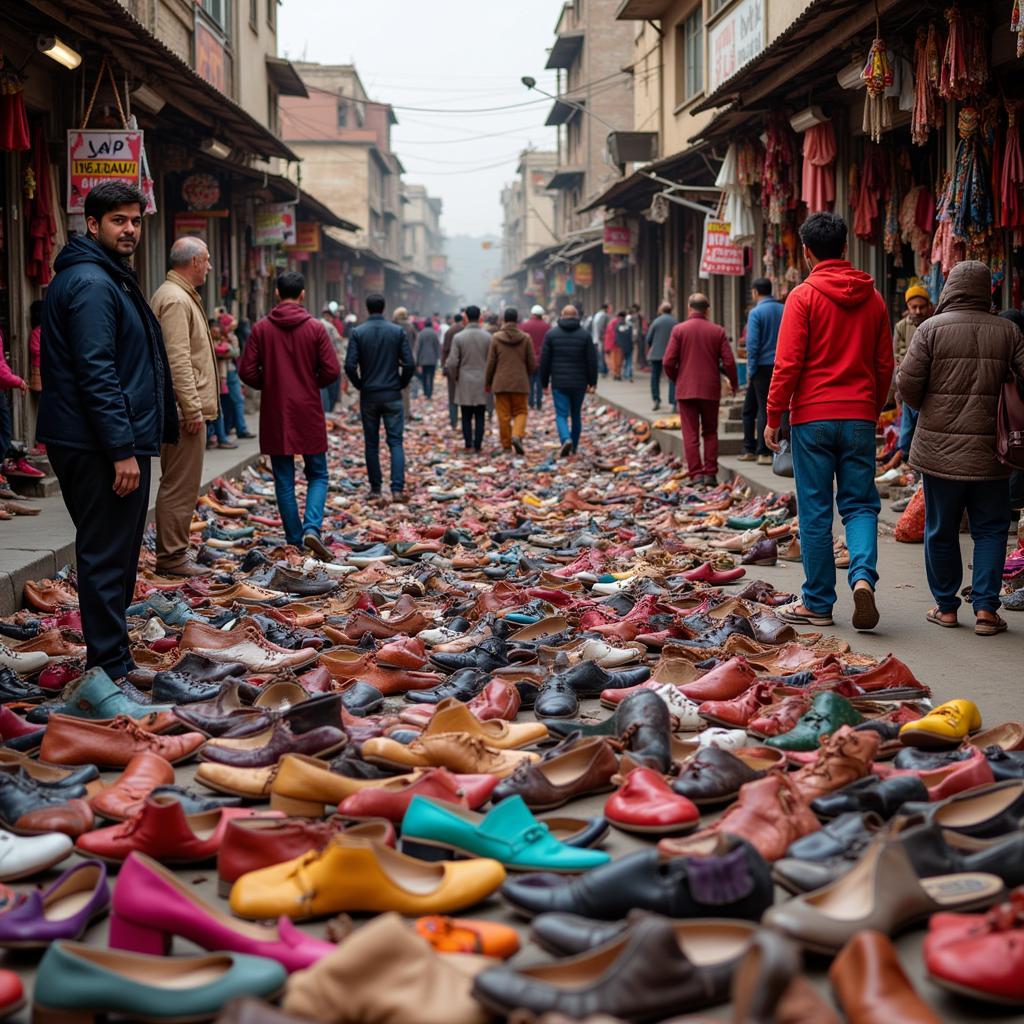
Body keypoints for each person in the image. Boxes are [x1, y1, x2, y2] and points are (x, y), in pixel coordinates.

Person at [38, 180, 178, 680]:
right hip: (98, 443)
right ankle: (109, 672)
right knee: (105, 556)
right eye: (119, 220)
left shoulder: (102, 277)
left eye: (136, 220)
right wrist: (121, 448)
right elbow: (96, 370)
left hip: (96, 437)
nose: (131, 230)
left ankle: (112, 659)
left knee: (114, 554)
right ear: (92, 224)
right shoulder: (94, 284)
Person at [764, 212, 893, 631]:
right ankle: (861, 579)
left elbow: (787, 364)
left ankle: (818, 603)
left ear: (806, 252)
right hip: (858, 415)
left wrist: (773, 416)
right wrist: (869, 410)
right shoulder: (873, 300)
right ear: (845, 248)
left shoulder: (802, 297)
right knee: (859, 505)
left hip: (812, 420)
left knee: (816, 511)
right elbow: (885, 365)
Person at [898, 262, 1024, 636]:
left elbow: (906, 384)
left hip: (939, 451)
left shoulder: (930, 329)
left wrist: (930, 410)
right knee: (991, 529)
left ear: (950, 288)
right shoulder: (1009, 330)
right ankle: (986, 609)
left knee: (941, 529)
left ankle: (947, 607)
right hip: (992, 451)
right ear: (987, 291)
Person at [238, 271, 340, 555]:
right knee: (317, 473)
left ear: (276, 294)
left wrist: (269, 383)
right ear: (303, 294)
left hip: (276, 411)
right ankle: (312, 528)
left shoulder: (261, 329)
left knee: (283, 477)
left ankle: (295, 538)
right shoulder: (316, 328)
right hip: (307, 408)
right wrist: (310, 381)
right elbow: (332, 369)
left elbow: (246, 370)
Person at [150, 235, 220, 577]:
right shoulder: (176, 299)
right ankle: (173, 556)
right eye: (205, 260)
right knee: (180, 484)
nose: (208, 266)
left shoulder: (177, 294)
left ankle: (176, 550)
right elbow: (178, 359)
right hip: (183, 412)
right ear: (193, 262)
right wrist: (191, 408)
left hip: (182, 408)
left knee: (179, 482)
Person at [344, 293, 415, 502]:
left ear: (367, 308)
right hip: (393, 394)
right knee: (395, 442)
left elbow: (349, 365)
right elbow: (409, 364)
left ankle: (375, 489)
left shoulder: (358, 332)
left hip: (369, 396)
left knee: (371, 444)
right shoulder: (397, 331)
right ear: (384, 308)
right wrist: (401, 383)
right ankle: (397, 489)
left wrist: (360, 384)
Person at [664, 293, 737, 486]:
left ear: (689, 308)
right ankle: (710, 474)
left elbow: (668, 361)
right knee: (711, 431)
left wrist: (677, 378)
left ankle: (696, 474)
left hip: (685, 389)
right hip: (710, 389)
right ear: (707, 310)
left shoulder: (679, 330)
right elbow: (729, 361)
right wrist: (734, 383)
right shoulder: (717, 331)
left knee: (690, 433)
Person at [885, 283, 934, 467]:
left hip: (928, 385)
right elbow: (897, 356)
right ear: (908, 307)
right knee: (907, 423)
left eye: (922, 306)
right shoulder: (901, 327)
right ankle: (903, 455)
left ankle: (903, 456)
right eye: (914, 307)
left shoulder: (934, 324)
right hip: (909, 382)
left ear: (929, 306)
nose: (918, 311)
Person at [540, 304, 597, 458]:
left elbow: (545, 361)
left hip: (559, 382)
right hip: (579, 383)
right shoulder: (585, 335)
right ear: (577, 316)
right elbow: (591, 360)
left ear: (561, 315)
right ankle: (574, 446)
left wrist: (544, 383)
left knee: (561, 414)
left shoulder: (551, 335)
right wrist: (593, 382)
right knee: (576, 414)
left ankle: (566, 439)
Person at [745, 277, 785, 465]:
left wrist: (751, 370)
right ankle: (781, 448)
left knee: (764, 408)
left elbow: (752, 345)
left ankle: (763, 451)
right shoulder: (783, 309)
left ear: (755, 292)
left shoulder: (756, 313)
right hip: (782, 365)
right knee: (781, 407)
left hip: (761, 366)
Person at [485, 307, 536, 455]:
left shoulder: (495, 338)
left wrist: (488, 382)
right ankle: (517, 435)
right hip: (520, 383)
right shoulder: (526, 338)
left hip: (501, 383)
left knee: (503, 415)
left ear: (504, 320)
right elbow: (532, 363)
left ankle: (506, 446)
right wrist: (525, 374)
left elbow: (491, 363)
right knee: (521, 411)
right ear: (517, 320)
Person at [445, 305, 491, 452]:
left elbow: (452, 362)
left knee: (465, 414)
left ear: (465, 317)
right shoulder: (487, 337)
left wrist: (455, 376)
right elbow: (492, 361)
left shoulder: (458, 337)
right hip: (482, 379)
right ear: (480, 317)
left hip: (464, 379)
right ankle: (478, 444)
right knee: (480, 414)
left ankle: (468, 443)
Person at [645, 302, 677, 411]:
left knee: (655, 377)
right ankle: (674, 403)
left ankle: (656, 400)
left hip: (656, 354)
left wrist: (652, 346)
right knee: (672, 378)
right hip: (671, 354)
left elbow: (648, 338)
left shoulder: (656, 322)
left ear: (661, 310)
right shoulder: (675, 322)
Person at [521, 305, 549, 410]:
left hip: (528, 358)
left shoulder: (524, 326)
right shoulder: (546, 326)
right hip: (542, 358)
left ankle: (530, 402)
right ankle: (539, 403)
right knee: (539, 381)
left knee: (530, 381)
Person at [392, 307, 418, 421]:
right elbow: (415, 342)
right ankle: (406, 412)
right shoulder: (411, 327)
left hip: (394, 361)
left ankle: (394, 412)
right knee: (406, 388)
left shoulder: (393, 327)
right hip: (408, 360)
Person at [318, 306, 344, 413]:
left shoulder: (315, 324)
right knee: (331, 389)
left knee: (322, 388)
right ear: (329, 317)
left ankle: (324, 411)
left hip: (318, 363)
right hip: (330, 361)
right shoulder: (330, 327)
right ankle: (328, 412)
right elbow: (338, 345)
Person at [442, 312, 464, 430]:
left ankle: (453, 421)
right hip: (464, 367)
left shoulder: (449, 331)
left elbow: (445, 350)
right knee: (465, 396)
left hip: (451, 367)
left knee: (452, 396)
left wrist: (444, 366)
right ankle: (466, 421)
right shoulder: (465, 330)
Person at [414, 317, 441, 401]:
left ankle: (426, 391)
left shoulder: (421, 334)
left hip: (423, 359)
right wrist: (438, 357)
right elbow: (437, 346)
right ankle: (430, 393)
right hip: (432, 359)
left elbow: (417, 348)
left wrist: (417, 360)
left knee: (424, 376)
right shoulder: (434, 333)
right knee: (431, 376)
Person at [592, 302, 610, 377]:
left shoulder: (597, 315)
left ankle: (602, 369)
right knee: (602, 354)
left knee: (599, 355)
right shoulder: (604, 315)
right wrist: (601, 336)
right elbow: (601, 326)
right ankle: (602, 369)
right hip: (600, 338)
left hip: (595, 337)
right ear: (606, 308)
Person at [629, 304, 647, 371]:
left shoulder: (637, 316)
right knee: (637, 350)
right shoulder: (636, 316)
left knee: (638, 350)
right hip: (637, 336)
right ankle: (636, 364)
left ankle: (637, 364)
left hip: (637, 336)